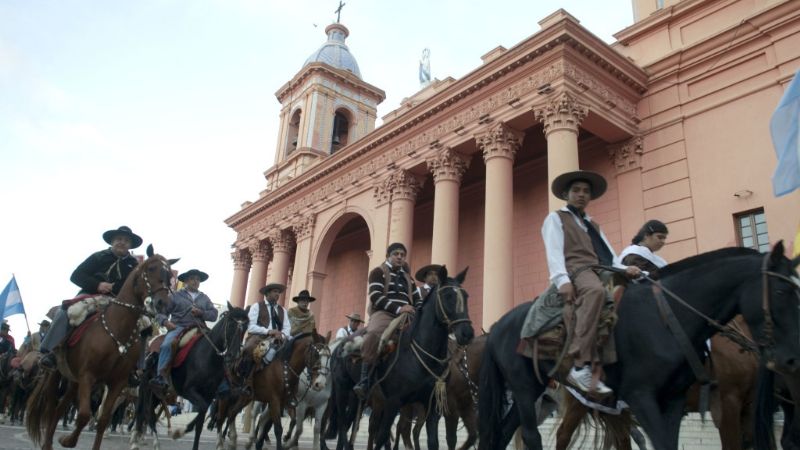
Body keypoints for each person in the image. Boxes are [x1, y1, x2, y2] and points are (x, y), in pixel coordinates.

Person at [542, 171, 641, 396]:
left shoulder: (593, 224)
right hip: (577, 269)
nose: (581, 194)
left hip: (600, 269)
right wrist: (562, 280)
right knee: (595, 292)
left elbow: (610, 256)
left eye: (586, 191)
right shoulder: (556, 218)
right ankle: (579, 365)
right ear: (566, 194)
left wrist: (627, 270)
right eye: (576, 190)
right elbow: (554, 252)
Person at [40, 225, 142, 369]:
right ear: (112, 241)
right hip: (89, 294)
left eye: (126, 240)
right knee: (65, 312)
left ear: (130, 245)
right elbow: (76, 275)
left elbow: (135, 288)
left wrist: (116, 289)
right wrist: (98, 285)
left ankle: (136, 366)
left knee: (144, 324)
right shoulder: (98, 257)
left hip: (117, 301)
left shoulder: (134, 265)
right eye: (119, 239)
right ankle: (52, 351)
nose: (122, 242)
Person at [353, 242, 421, 400]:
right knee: (373, 334)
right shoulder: (378, 272)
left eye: (402, 255)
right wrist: (399, 309)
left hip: (408, 314)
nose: (400, 257)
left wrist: (418, 311)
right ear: (388, 256)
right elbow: (376, 296)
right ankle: (364, 380)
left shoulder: (409, 279)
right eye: (396, 254)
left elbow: (417, 300)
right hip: (385, 313)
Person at [149, 269, 218, 392]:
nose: (195, 281)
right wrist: (166, 323)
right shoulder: (175, 296)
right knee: (167, 345)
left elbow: (214, 315)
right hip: (179, 327)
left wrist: (201, 313)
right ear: (186, 281)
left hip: (200, 328)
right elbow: (161, 313)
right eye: (192, 279)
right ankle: (161, 377)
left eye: (198, 279)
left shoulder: (204, 298)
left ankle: (221, 382)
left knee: (217, 346)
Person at [244, 283, 291, 368]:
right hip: (259, 337)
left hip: (278, 339)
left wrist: (282, 335)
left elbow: (287, 327)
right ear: (267, 293)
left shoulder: (283, 310)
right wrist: (268, 331)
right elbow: (250, 327)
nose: (277, 294)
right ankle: (245, 374)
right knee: (249, 348)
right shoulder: (256, 306)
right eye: (275, 291)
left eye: (278, 292)